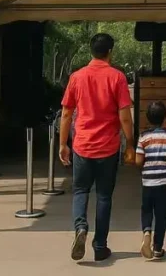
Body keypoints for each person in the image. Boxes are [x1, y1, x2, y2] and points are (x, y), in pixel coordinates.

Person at [59, 33, 133, 263]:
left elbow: (67, 113)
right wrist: (130, 143)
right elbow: (125, 117)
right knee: (104, 197)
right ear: (110, 51)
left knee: (80, 191)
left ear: (91, 51)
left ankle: (80, 227)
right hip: (108, 148)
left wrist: (63, 143)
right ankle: (100, 247)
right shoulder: (117, 78)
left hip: (82, 146)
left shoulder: (77, 77)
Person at [135, 101, 166, 261]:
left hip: (148, 183)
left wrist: (143, 169)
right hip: (164, 184)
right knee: (161, 216)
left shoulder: (143, 137)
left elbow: (138, 161)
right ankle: (158, 248)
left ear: (148, 119)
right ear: (164, 118)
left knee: (146, 210)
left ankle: (146, 231)